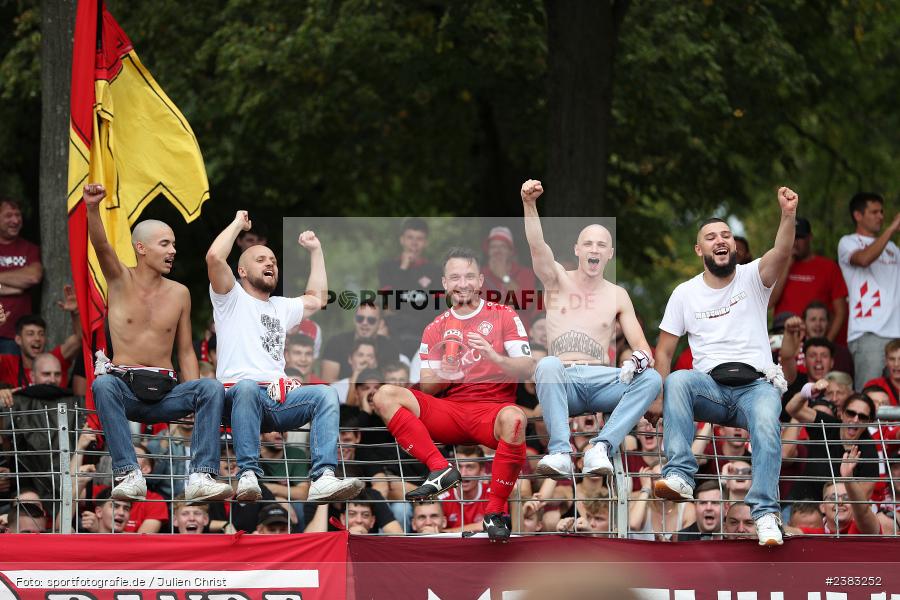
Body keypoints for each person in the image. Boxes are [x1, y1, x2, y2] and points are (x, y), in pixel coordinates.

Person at [653, 186, 800, 546]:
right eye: (711, 237)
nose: (720, 240)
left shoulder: (754, 277)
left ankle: (765, 514)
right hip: (712, 390)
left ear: (733, 246)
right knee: (678, 381)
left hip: (756, 387)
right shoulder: (684, 293)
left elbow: (781, 250)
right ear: (699, 249)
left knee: (767, 418)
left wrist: (788, 214)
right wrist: (655, 397)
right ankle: (680, 475)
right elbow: (663, 352)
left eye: (726, 235)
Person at [371, 246, 535, 541]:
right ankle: (440, 468)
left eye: (469, 276)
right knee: (384, 394)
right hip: (451, 411)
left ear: (481, 281)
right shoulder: (435, 327)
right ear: (445, 283)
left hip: (492, 411)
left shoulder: (504, 315)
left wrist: (493, 357)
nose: (463, 283)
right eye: (455, 277)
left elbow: (526, 367)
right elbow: (428, 384)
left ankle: (495, 512)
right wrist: (450, 369)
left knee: (516, 417)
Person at [83, 184, 232, 503]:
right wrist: (92, 208)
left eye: (174, 244)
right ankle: (128, 472)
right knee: (103, 385)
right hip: (126, 389)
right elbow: (100, 244)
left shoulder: (180, 292)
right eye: (164, 244)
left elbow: (186, 351)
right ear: (141, 248)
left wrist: (195, 397)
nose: (172, 251)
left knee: (211, 388)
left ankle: (201, 476)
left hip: (167, 392)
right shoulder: (119, 280)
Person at [206, 210, 362, 504]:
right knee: (249, 386)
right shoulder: (230, 297)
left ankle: (323, 478)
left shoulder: (280, 306)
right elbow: (215, 258)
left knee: (326, 395)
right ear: (240, 271)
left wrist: (316, 251)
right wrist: (239, 224)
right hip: (236, 399)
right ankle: (248, 474)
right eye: (261, 259)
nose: (270, 264)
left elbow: (317, 298)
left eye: (274, 261)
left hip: (275, 400)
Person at [520, 179, 660, 478]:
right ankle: (560, 452)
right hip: (564, 379)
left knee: (651, 379)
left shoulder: (618, 294)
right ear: (577, 250)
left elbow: (643, 347)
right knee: (546, 364)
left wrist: (637, 361)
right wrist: (529, 204)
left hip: (603, 379)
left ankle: (601, 447)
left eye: (601, 245)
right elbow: (536, 246)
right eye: (588, 243)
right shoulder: (557, 278)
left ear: (609, 253)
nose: (594, 249)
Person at [838, 193, 900, 389]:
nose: (881, 216)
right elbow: (864, 259)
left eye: (882, 212)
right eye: (874, 212)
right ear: (858, 215)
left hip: (896, 333)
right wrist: (892, 228)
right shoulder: (848, 242)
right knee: (868, 398)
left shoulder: (893, 248)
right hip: (867, 334)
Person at [770, 217, 848, 343]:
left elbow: (841, 312)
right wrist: (787, 264)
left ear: (810, 237)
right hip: (783, 339)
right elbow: (769, 302)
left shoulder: (829, 267)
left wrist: (826, 343)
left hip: (816, 341)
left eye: (799, 237)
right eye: (791, 237)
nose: (795, 242)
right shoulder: (778, 265)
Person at [378, 218, 443, 356]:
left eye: (419, 238)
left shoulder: (435, 271)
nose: (414, 242)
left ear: (426, 242)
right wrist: (403, 268)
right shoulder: (387, 267)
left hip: (424, 336)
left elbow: (438, 307)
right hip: (395, 335)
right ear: (402, 240)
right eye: (410, 237)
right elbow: (389, 302)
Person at [0, 301, 80, 389]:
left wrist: (76, 312)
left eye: (41, 334)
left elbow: (79, 340)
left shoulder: (54, 361)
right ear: (18, 339)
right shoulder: (7, 363)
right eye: (30, 334)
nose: (37, 338)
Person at [320, 302, 405, 383]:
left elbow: (393, 382)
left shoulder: (390, 348)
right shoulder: (336, 343)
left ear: (380, 323)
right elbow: (328, 383)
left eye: (371, 320)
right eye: (360, 318)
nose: (365, 323)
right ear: (354, 319)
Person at [0, 198, 43, 350]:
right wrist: (16, 287)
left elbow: (33, 276)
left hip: (16, 336)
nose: (15, 220)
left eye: (18, 215)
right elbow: (24, 281)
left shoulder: (29, 248)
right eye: (8, 215)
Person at [481, 225, 539, 326]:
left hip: (519, 330)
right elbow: (479, 307)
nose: (497, 251)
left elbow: (525, 303)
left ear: (511, 251)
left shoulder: (526, 273)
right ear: (488, 251)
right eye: (493, 247)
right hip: (488, 330)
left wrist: (504, 277)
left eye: (503, 246)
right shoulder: (480, 275)